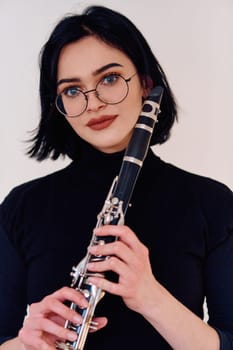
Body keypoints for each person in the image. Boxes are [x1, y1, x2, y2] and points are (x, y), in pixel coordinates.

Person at [0, 5, 232, 350]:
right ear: (58, 106)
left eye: (109, 79)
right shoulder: (22, 206)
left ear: (146, 84)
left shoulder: (211, 202)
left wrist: (150, 297)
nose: (92, 103)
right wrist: (27, 344)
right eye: (72, 91)